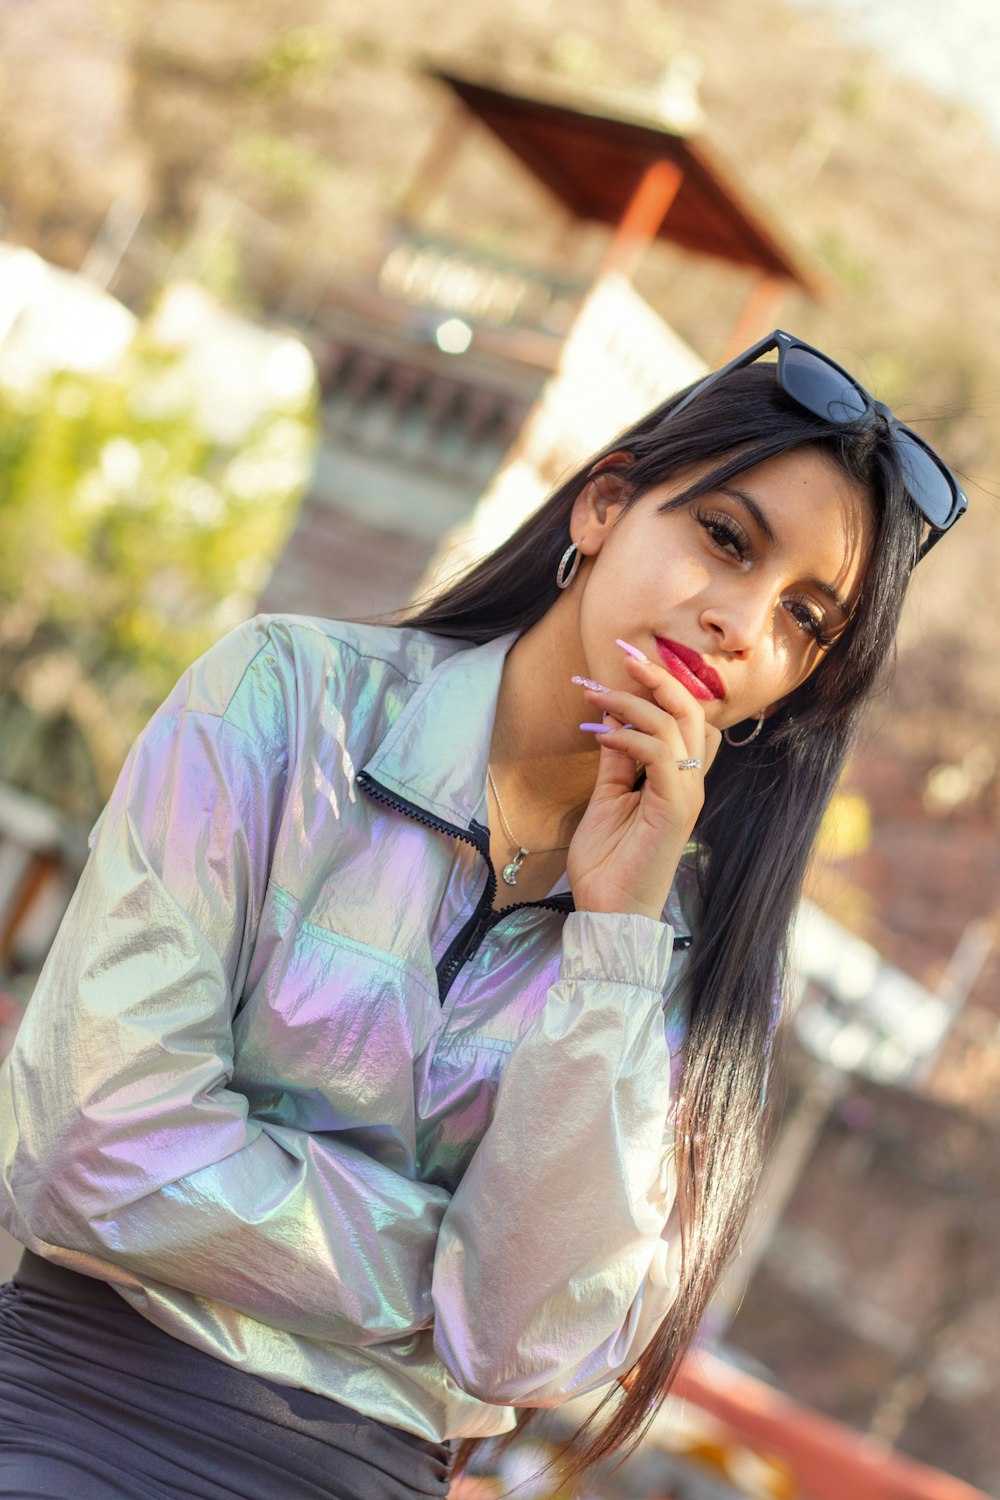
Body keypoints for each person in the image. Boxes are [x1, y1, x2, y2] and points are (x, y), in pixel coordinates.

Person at [0, 332, 967, 1499]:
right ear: (605, 505)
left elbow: (525, 1349)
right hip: (79, 1410)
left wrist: (616, 940)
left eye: (805, 620)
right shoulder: (288, 700)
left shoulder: (703, 955)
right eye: (725, 538)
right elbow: (93, 1148)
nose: (741, 623)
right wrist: (447, 1271)